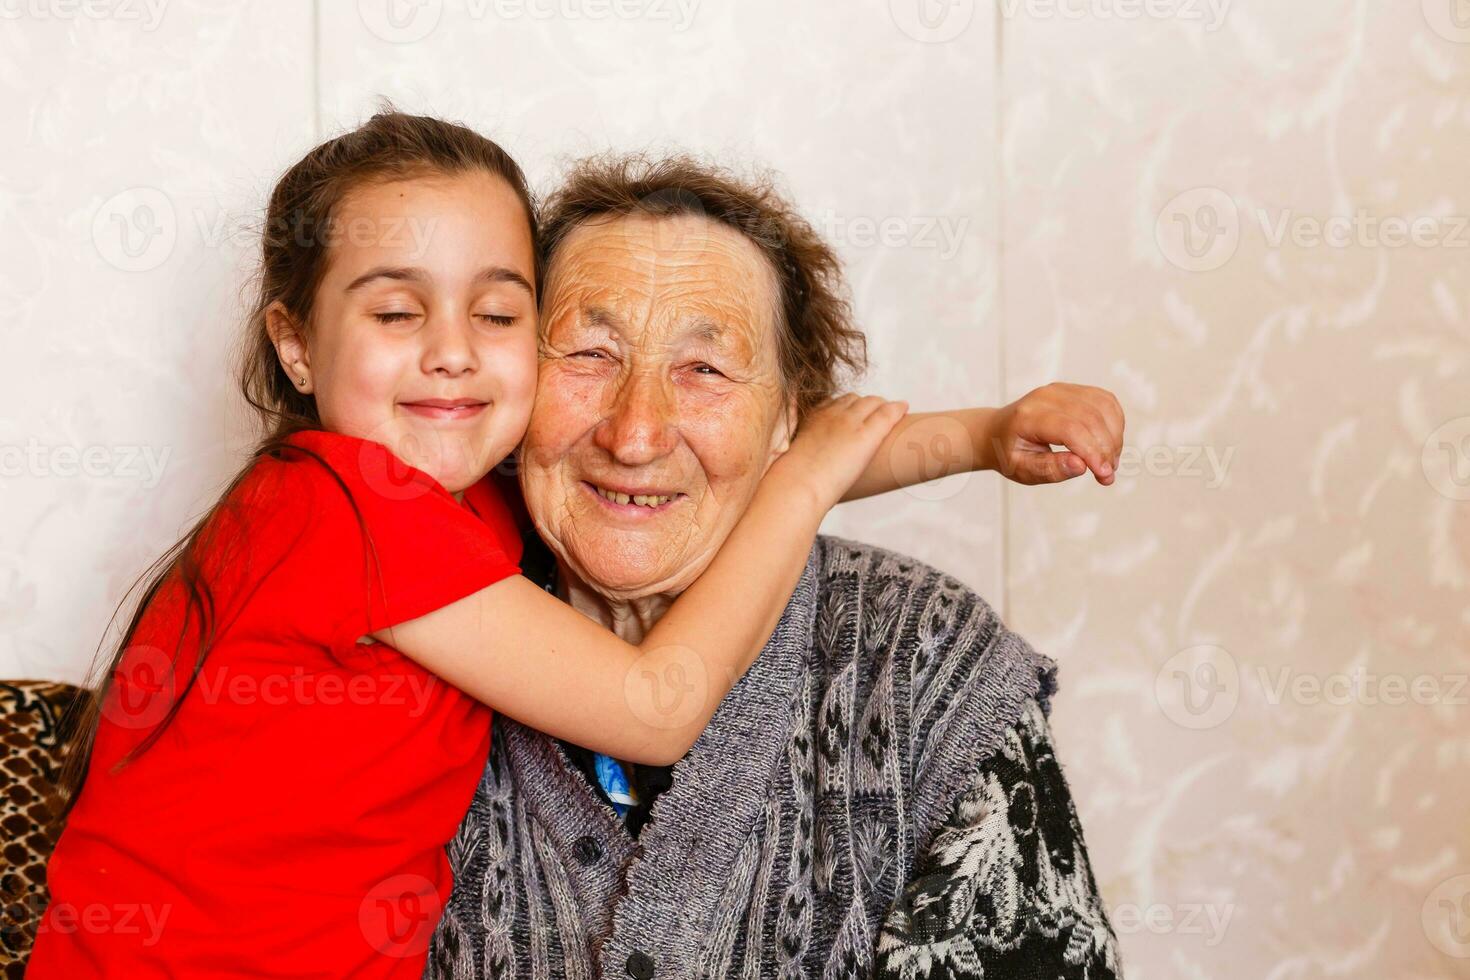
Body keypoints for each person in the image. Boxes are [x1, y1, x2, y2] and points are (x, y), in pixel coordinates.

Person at [30, 111, 944, 978]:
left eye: (498, 316)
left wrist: (984, 439)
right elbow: (657, 709)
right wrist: (811, 486)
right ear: (297, 344)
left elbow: (738, 457)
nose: (454, 352)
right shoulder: (351, 511)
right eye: (397, 313)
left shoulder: (456, 491)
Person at [429, 154, 1127, 979]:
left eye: (705, 370)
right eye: (588, 354)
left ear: (788, 423)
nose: (636, 434)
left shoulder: (920, 657)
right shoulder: (422, 638)